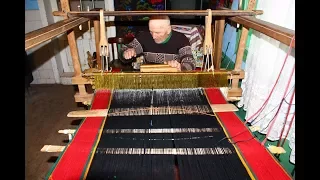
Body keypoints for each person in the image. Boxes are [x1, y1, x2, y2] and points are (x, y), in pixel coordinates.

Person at [121, 15, 196, 71]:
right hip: (149, 79)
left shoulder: (181, 39)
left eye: (158, 32)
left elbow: (190, 63)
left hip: (172, 79)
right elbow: (123, 51)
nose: (153, 36)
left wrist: (181, 67)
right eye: (151, 32)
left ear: (168, 29)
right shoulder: (143, 37)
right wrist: (126, 53)